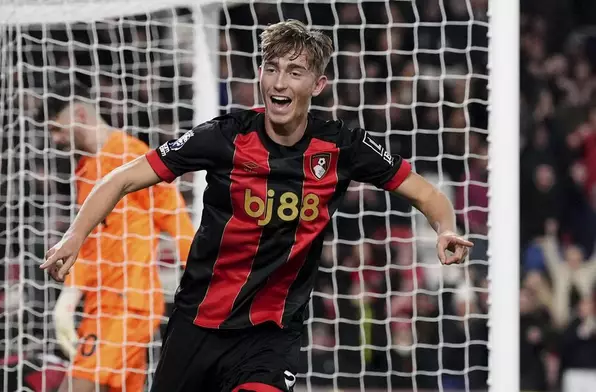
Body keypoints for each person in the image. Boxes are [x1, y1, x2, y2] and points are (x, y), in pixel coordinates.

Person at [41, 20, 473, 392]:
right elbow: (121, 177)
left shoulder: (343, 147)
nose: (280, 82)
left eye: (295, 72)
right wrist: (74, 236)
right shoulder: (224, 136)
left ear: (317, 85)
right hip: (198, 324)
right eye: (272, 69)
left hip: (270, 332)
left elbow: (425, 192)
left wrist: (445, 227)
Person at [34, 81, 195, 392]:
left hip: (128, 303)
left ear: (79, 114)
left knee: (76, 387)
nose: (54, 140)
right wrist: (70, 298)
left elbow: (178, 223)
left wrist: (200, 282)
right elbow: (90, 244)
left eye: (56, 129)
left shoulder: (135, 158)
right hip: (100, 304)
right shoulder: (83, 170)